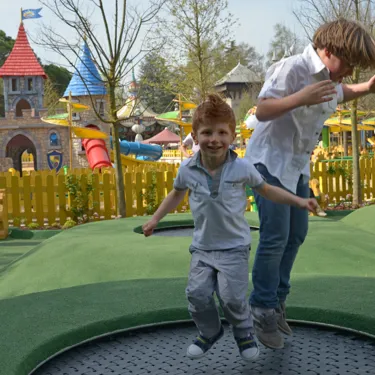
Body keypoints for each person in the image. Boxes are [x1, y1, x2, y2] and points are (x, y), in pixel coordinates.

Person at [143, 94, 317, 361]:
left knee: (232, 298)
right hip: (202, 247)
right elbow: (176, 194)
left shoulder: (242, 168)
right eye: (207, 132)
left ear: (232, 135)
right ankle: (210, 331)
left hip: (234, 246)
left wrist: (298, 200)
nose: (215, 139)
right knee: (197, 294)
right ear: (195, 135)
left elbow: (268, 190)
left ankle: (244, 333)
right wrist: (155, 219)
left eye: (222, 132)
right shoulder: (187, 169)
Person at [245, 18, 375, 350]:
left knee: (297, 233)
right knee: (276, 235)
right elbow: (262, 109)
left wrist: (366, 88)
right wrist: (300, 97)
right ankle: (261, 308)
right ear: (328, 51)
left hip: (295, 167)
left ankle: (277, 301)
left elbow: (339, 93)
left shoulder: (331, 78)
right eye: (348, 64)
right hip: (268, 162)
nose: (348, 72)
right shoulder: (293, 69)